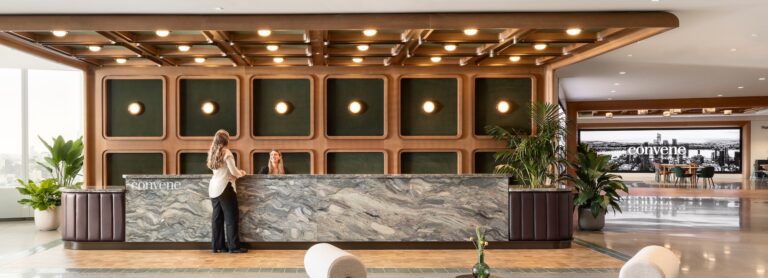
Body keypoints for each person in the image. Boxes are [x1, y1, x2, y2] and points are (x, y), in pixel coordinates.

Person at [207, 129, 248, 253]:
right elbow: (233, 171)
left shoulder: (212, 152)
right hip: (225, 187)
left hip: (213, 188)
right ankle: (234, 247)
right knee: (231, 218)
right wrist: (242, 173)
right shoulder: (226, 152)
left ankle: (218, 246)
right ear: (226, 140)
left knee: (217, 219)